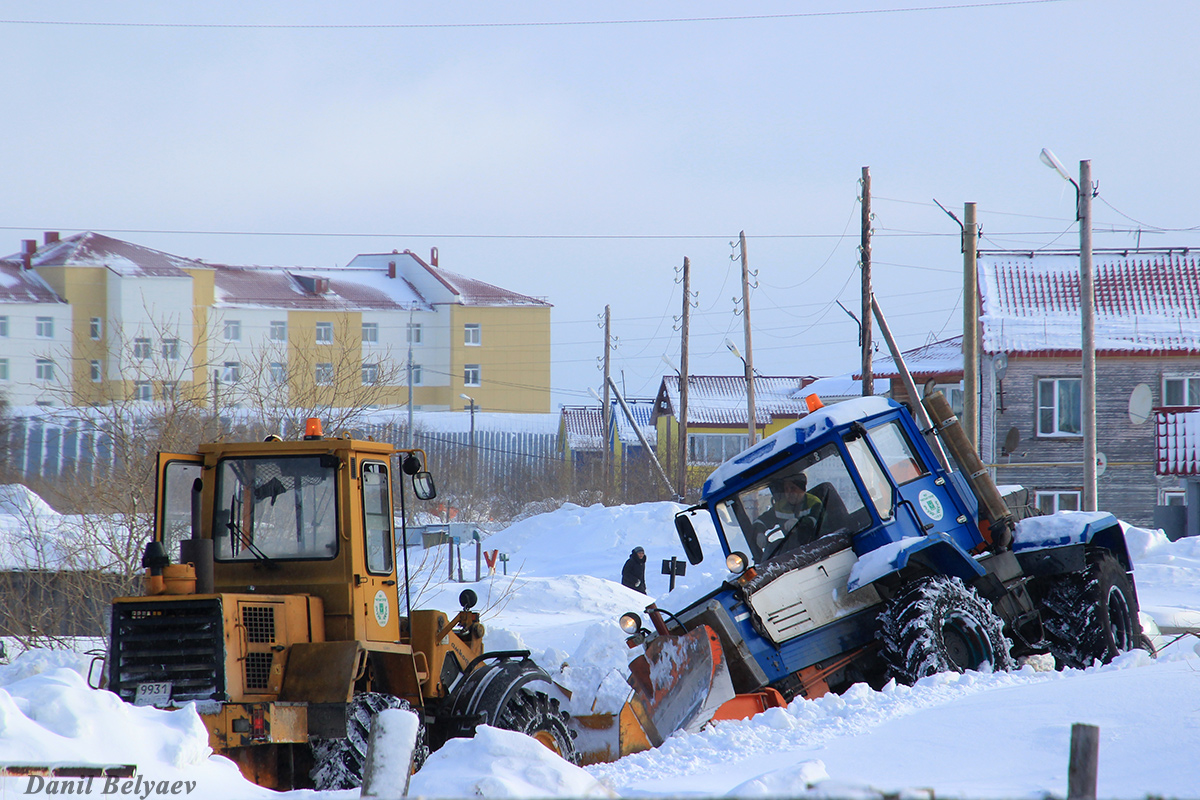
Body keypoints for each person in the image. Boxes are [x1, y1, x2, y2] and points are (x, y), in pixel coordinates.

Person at [754, 473, 823, 557]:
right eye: (786, 489)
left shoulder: (814, 502)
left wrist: (799, 523)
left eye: (793, 488)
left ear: (802, 489)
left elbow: (814, 520)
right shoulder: (780, 507)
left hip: (816, 546)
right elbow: (761, 521)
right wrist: (759, 533)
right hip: (792, 550)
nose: (789, 492)